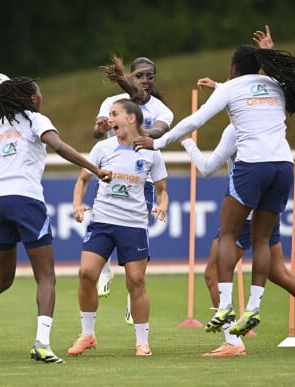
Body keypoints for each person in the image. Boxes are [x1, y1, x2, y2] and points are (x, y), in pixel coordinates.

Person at [134, 37, 295, 338]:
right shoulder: (277, 85)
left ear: (233, 68)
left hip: (252, 167)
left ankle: (227, 307)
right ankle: (254, 307)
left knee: (225, 240)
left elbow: (198, 121)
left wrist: (160, 142)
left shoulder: (232, 94)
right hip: (284, 165)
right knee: (265, 244)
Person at [0, 76, 113, 364]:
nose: (41, 95)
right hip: (27, 202)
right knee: (46, 277)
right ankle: (42, 344)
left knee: (3, 278)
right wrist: (95, 168)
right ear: (32, 99)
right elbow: (59, 146)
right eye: (39, 92)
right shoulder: (35, 120)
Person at [181, 77, 295, 358]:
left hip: (245, 212)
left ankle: (232, 341)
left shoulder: (235, 131)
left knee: (212, 272)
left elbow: (207, 166)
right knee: (279, 272)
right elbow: (253, 90)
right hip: (267, 205)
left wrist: (186, 143)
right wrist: (219, 86)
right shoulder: (264, 127)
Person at [69, 97, 168, 357]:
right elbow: (82, 178)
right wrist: (77, 204)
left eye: (114, 114)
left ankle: (142, 342)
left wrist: (162, 204)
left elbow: (162, 190)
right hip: (102, 221)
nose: (109, 119)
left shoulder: (152, 152)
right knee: (86, 274)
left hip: (133, 225)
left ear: (131, 118)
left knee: (136, 281)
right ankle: (88, 335)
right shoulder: (103, 149)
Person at [93, 55, 174, 325]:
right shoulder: (110, 104)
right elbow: (96, 133)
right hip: (110, 173)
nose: (145, 81)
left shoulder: (162, 109)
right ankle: (104, 271)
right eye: (139, 76)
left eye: (150, 75)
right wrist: (103, 127)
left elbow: (159, 132)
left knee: (138, 239)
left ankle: (133, 296)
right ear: (129, 77)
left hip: (142, 178)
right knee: (98, 223)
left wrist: (133, 127)